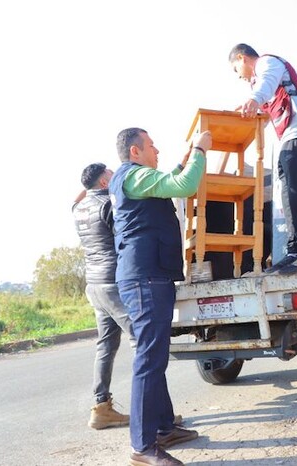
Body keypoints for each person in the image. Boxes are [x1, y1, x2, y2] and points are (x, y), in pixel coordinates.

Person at [110, 127, 212, 466]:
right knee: (149, 361)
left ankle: (164, 428)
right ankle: (142, 447)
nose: (158, 151)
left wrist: (185, 162)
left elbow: (170, 179)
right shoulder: (134, 176)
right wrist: (199, 150)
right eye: (152, 146)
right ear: (135, 152)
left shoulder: (137, 179)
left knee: (155, 356)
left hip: (148, 276)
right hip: (145, 278)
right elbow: (184, 186)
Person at [228, 43, 297, 275]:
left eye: (235, 69)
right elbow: (267, 101)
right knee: (288, 195)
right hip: (291, 138)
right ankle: (295, 251)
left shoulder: (267, 63)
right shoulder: (260, 80)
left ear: (242, 58)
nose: (238, 76)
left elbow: (266, 84)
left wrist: (253, 99)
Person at [72, 163, 133, 430]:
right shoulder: (108, 205)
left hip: (94, 285)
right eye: (110, 174)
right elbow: (123, 241)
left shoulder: (78, 209)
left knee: (106, 346)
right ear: (104, 183)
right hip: (112, 282)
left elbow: (75, 199)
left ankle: (101, 407)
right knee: (143, 341)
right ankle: (156, 416)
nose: (114, 177)